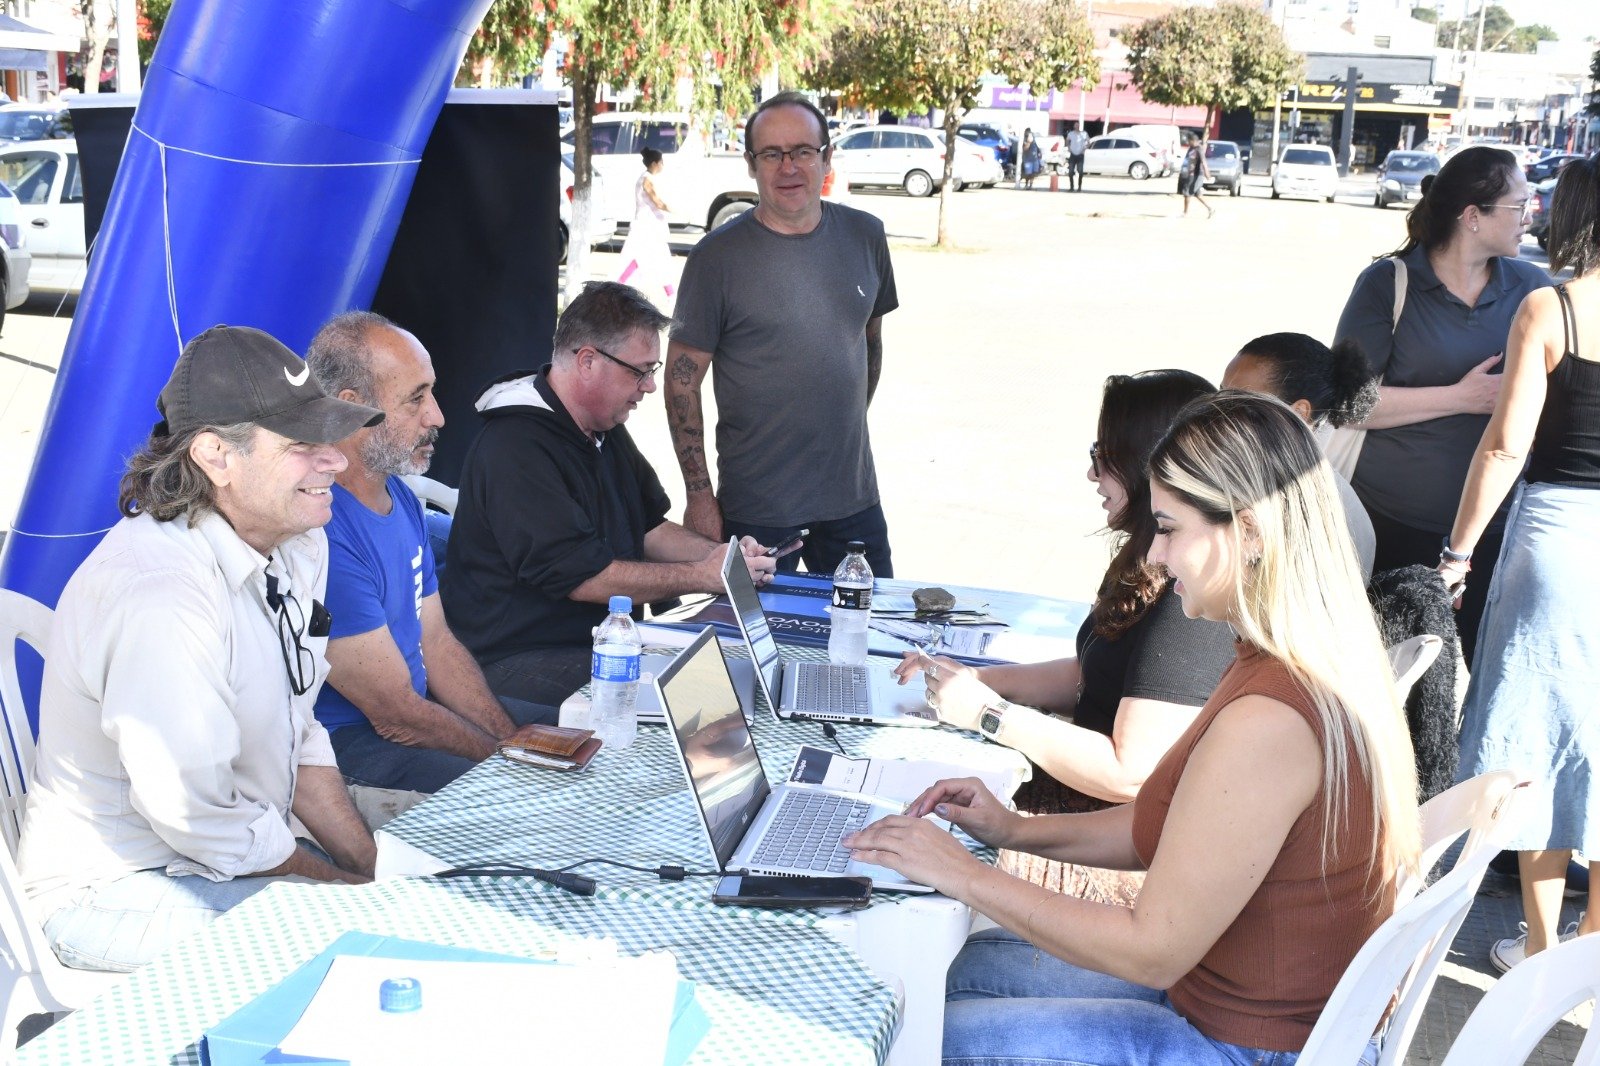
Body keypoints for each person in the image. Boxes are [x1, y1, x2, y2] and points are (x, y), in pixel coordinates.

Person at [848, 391, 1421, 1063]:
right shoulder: (1283, 659)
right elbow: (1164, 830)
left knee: (904, 1039)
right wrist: (1013, 830)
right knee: (931, 988)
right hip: (1221, 1002)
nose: (1153, 554)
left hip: (1241, 1045)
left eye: (1171, 529)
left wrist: (964, 876)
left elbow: (1152, 950)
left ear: (1251, 533)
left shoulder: (1273, 720)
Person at [17, 325, 383, 972]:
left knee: (383, 911)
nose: (337, 460)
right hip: (109, 893)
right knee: (345, 947)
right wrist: (334, 891)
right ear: (217, 455)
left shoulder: (298, 543)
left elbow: (301, 731)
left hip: (220, 860)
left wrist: (368, 872)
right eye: (304, 444)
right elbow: (197, 816)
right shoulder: (160, 593)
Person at [894, 370, 1235, 906]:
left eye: (1104, 455)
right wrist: (977, 681)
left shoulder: (1190, 598)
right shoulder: (1148, 559)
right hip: (1084, 815)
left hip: (1114, 850)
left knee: (906, 840)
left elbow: (1130, 774)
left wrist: (989, 714)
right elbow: (1089, 673)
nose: (1091, 472)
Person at [442, 281, 777, 707]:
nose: (650, 387)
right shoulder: (516, 447)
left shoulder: (603, 429)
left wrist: (728, 561)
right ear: (587, 361)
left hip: (600, 642)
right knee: (705, 698)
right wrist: (702, 575)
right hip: (513, 658)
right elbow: (584, 578)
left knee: (737, 681)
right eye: (640, 371)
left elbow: (649, 528)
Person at [1441, 156, 1600, 972]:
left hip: (1558, 544)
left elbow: (1505, 445)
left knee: (1538, 738)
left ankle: (1538, 949)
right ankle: (1594, 947)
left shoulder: (1551, 307)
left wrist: (1458, 550)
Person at [305, 312, 555, 796]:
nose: (437, 415)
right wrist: (508, 765)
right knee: (521, 799)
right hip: (350, 749)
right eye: (415, 398)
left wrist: (509, 742)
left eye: (431, 392)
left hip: (417, 713)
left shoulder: (398, 495)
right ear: (350, 408)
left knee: (591, 739)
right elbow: (395, 715)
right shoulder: (322, 527)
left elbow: (436, 643)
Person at [664, 90, 899, 577]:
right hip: (757, 511)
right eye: (772, 154)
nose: (788, 167)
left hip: (852, 500)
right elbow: (681, 380)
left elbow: (869, 342)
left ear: (826, 157)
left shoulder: (867, 236)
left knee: (870, 638)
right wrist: (699, 495)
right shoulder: (716, 258)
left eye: (803, 152)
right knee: (756, 647)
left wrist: (842, 424)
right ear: (751, 164)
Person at [1334, 145, 1553, 664]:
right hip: (1388, 525)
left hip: (1491, 534)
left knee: (1476, 678)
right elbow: (1347, 403)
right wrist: (1462, 397)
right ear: (1473, 217)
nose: (1529, 218)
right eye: (1519, 206)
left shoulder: (1533, 288)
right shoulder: (1387, 283)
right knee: (1380, 676)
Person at [1220, 332, 1378, 578]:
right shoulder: (1251, 477)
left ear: (1299, 412)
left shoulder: (1307, 508)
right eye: (1220, 394)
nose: (1216, 410)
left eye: (1239, 401)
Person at [617, 146, 676, 302]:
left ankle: (620, 286)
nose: (663, 165)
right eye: (662, 162)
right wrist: (673, 209)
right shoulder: (647, 179)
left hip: (649, 227)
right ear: (655, 163)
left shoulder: (647, 178)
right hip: (646, 228)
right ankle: (670, 293)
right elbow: (656, 201)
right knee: (650, 258)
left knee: (642, 259)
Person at [1179, 133, 1212, 219]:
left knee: (1187, 193)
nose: (1188, 142)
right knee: (1197, 194)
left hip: (1197, 175)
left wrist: (1207, 173)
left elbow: (1203, 161)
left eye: (1189, 141)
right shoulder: (1191, 149)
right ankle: (1210, 208)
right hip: (1190, 174)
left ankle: (1185, 213)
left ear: (1194, 141)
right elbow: (1187, 160)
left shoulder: (1199, 149)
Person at [1066, 122, 1088, 192]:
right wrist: (1069, 148)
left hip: (1080, 155)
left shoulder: (1084, 134)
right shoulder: (1071, 134)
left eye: (1078, 125)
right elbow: (1067, 141)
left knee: (1080, 171)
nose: (1077, 126)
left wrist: (1085, 148)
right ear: (1074, 126)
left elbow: (1088, 141)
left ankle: (1079, 187)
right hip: (1073, 154)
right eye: (1076, 125)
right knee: (1070, 172)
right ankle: (1071, 187)